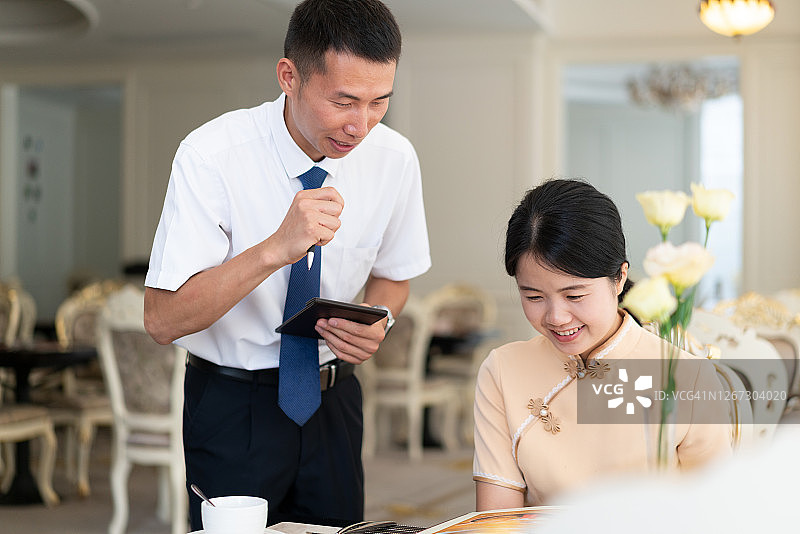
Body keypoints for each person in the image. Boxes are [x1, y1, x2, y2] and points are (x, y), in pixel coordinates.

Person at [143, 0, 430, 529]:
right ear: (289, 76)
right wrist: (276, 247)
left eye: (378, 102)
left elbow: (395, 275)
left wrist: (381, 319)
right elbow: (163, 320)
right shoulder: (211, 155)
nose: (360, 125)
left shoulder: (395, 158)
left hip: (334, 401)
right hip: (232, 405)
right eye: (343, 101)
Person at [473, 179, 731, 511]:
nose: (557, 317)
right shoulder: (503, 370)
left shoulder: (686, 376)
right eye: (533, 296)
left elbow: (716, 513)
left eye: (574, 295)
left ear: (619, 277)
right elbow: (497, 521)